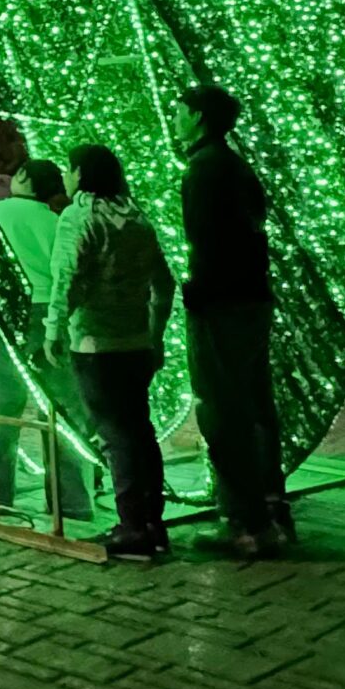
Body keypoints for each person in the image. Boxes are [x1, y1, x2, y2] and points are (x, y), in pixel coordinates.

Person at [44, 143, 175, 561]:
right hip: (136, 343)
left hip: (95, 345)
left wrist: (53, 330)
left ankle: (131, 527)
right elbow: (164, 283)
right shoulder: (138, 218)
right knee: (140, 433)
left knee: (116, 438)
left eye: (69, 169)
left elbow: (65, 278)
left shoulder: (79, 216)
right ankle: (153, 523)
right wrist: (156, 334)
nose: (65, 177)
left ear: (82, 174)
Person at [178, 83, 292, 555]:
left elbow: (206, 241)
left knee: (223, 412)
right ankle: (271, 509)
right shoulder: (237, 166)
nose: (176, 118)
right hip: (251, 299)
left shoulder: (204, 170)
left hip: (222, 304)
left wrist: (197, 293)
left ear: (199, 117)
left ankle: (245, 524)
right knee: (254, 405)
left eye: (181, 111)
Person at [0, 158, 92, 522]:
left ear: (24, 178)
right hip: (50, 316)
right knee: (60, 408)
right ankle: (71, 502)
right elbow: (69, 272)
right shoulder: (57, 221)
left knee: (4, 406)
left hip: (2, 314)